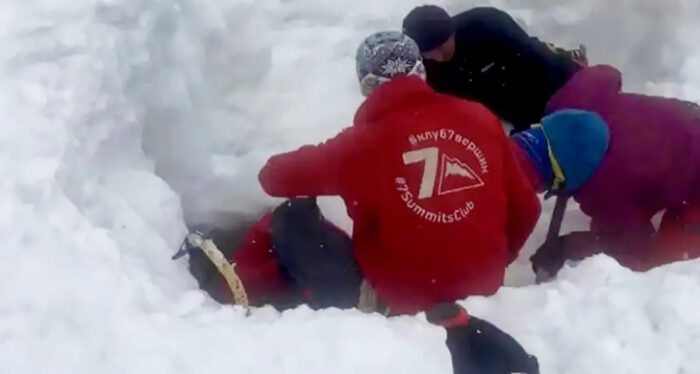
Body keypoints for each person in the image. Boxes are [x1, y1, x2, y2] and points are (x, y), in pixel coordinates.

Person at [175, 31, 542, 374]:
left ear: (366, 85)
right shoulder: (481, 118)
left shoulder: (362, 144)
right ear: (420, 73)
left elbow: (273, 178)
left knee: (291, 217)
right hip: (484, 285)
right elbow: (528, 208)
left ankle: (243, 294)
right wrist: (490, 257)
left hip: (402, 299)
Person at [509, 64, 700, 277]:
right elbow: (606, 74)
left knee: (659, 269)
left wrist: (566, 246)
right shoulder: (569, 104)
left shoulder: (606, 188)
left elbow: (632, 242)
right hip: (689, 119)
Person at [402, 5, 586, 133]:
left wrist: (577, 83)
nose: (439, 57)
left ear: (452, 32)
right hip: (494, 100)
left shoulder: (488, 24)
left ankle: (572, 60)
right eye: (431, 53)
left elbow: (537, 57)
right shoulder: (424, 68)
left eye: (443, 47)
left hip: (529, 72)